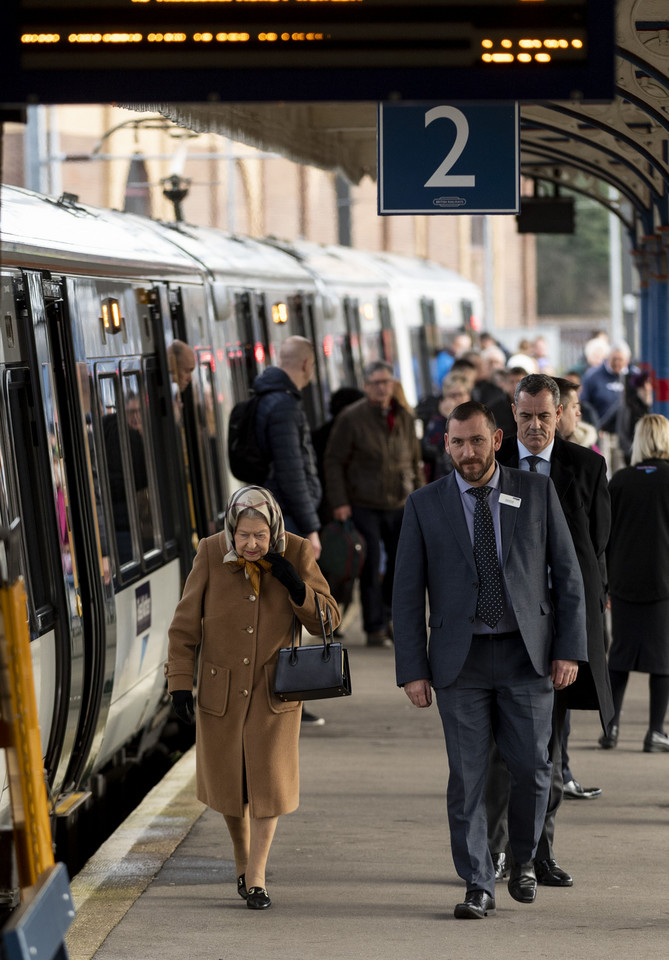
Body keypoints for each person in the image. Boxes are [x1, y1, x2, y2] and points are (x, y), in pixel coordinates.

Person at [393, 400, 587, 919]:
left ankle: (523, 859)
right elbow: (407, 595)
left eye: (476, 441)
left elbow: (568, 578)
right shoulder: (424, 504)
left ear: (497, 440)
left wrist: (570, 649)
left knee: (534, 769)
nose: (467, 452)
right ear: (447, 444)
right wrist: (412, 668)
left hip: (529, 658)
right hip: (461, 663)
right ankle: (478, 882)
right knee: (468, 777)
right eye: (457, 442)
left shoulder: (537, 492)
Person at [165, 485, 340, 910]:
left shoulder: (296, 551)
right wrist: (179, 684)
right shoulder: (209, 552)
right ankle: (242, 859)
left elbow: (328, 620)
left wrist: (298, 589)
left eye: (259, 536)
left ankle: (256, 874)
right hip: (220, 690)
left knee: (267, 783)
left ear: (273, 530)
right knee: (231, 783)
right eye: (243, 535)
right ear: (231, 529)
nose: (251, 544)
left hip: (273, 693)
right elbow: (184, 626)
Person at [486, 373, 612, 887]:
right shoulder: (493, 466)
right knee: (500, 755)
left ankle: (541, 853)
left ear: (560, 415)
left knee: (550, 755)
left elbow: (595, 548)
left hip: (557, 633)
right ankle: (493, 855)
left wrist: (578, 637)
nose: (535, 426)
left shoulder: (587, 466)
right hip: (502, 632)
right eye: (525, 417)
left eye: (544, 416)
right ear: (511, 418)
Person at [324, 360, 423, 647]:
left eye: (387, 382)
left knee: (399, 563)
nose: (383, 388)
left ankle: (392, 618)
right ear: (366, 387)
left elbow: (414, 459)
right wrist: (340, 502)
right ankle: (374, 626)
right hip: (363, 502)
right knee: (369, 564)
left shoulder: (403, 415)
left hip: (399, 501)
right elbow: (333, 461)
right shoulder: (351, 418)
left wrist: (419, 495)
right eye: (376, 383)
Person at [600, 415, 669, 754]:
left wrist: (606, 582)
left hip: (624, 582)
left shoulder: (621, 482)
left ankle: (610, 728)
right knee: (663, 660)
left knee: (620, 657)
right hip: (664, 584)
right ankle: (656, 731)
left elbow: (604, 535)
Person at [253, 336, 322, 562]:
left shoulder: (269, 398)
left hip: (279, 511)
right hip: (288, 517)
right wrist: (310, 529)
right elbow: (292, 473)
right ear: (306, 364)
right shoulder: (284, 406)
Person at [580, 340, 632, 473]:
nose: (617, 363)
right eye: (614, 359)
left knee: (622, 471)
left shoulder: (632, 376)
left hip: (624, 434)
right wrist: (594, 426)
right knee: (604, 470)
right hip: (603, 434)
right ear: (608, 358)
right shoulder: (593, 376)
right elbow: (584, 404)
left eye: (621, 360)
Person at [421, 374, 471, 482]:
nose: (457, 399)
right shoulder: (438, 420)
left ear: (468, 396)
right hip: (446, 479)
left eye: (461, 394)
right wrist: (447, 419)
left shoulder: (477, 417)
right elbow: (429, 448)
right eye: (453, 395)